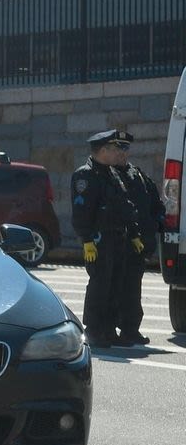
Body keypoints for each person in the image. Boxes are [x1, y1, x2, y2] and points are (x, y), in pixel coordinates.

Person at [71, 130, 142, 348]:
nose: (117, 153)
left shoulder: (112, 174)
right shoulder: (85, 175)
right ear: (102, 151)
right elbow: (82, 212)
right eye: (113, 149)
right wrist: (87, 240)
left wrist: (134, 233)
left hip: (117, 238)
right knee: (100, 286)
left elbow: (124, 205)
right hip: (98, 240)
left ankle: (109, 329)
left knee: (115, 285)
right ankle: (93, 329)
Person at [111, 131, 167, 346]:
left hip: (138, 246)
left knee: (133, 290)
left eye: (124, 149)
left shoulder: (139, 176)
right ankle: (108, 330)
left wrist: (158, 222)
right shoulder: (106, 176)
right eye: (117, 149)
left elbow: (155, 205)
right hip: (116, 245)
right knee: (113, 289)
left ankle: (130, 329)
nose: (121, 154)